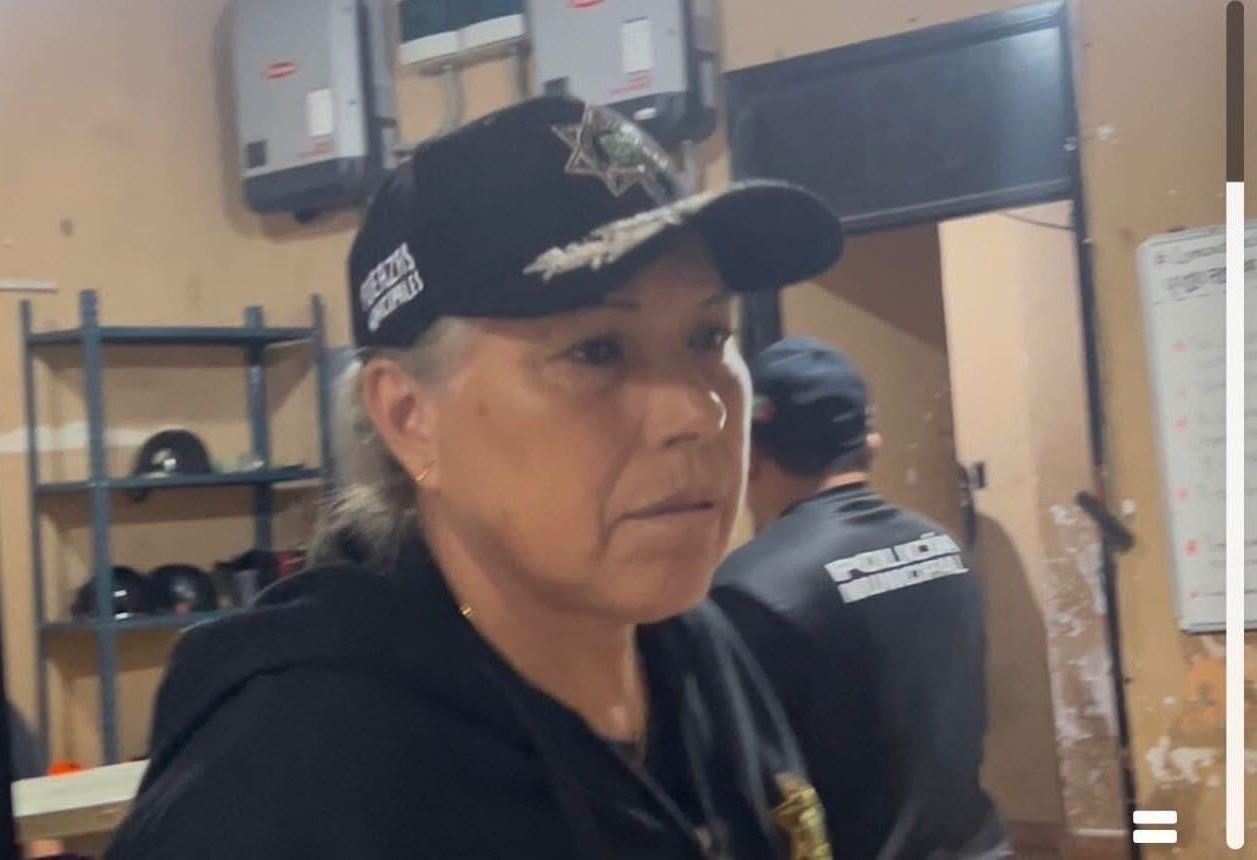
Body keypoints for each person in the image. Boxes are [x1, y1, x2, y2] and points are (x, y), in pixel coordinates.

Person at [106, 96, 845, 859]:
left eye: (708, 335)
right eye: (597, 350)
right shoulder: (295, 780)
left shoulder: (701, 658)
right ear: (409, 417)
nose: (697, 410)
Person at [712, 338, 1008, 860]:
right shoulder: (944, 549)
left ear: (750, 456)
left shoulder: (750, 591)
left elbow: (735, 792)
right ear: (870, 446)